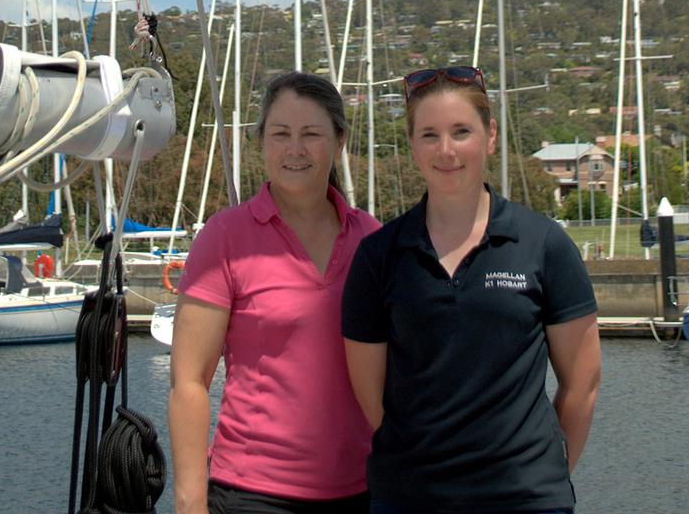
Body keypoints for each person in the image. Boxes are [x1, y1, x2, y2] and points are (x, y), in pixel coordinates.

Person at [342, 65, 601, 514]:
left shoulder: (544, 244)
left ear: (490, 134)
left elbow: (582, 384)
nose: (446, 150)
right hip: (410, 499)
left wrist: (542, 475)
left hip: (526, 499)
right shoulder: (378, 256)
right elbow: (372, 397)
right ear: (411, 144)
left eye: (461, 131)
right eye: (429, 135)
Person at [169, 70, 380, 514]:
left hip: (366, 488)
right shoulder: (224, 238)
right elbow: (189, 382)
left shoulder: (373, 240)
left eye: (311, 134)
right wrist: (190, 502)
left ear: (339, 142)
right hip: (253, 493)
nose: (295, 149)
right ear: (262, 140)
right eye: (281, 133)